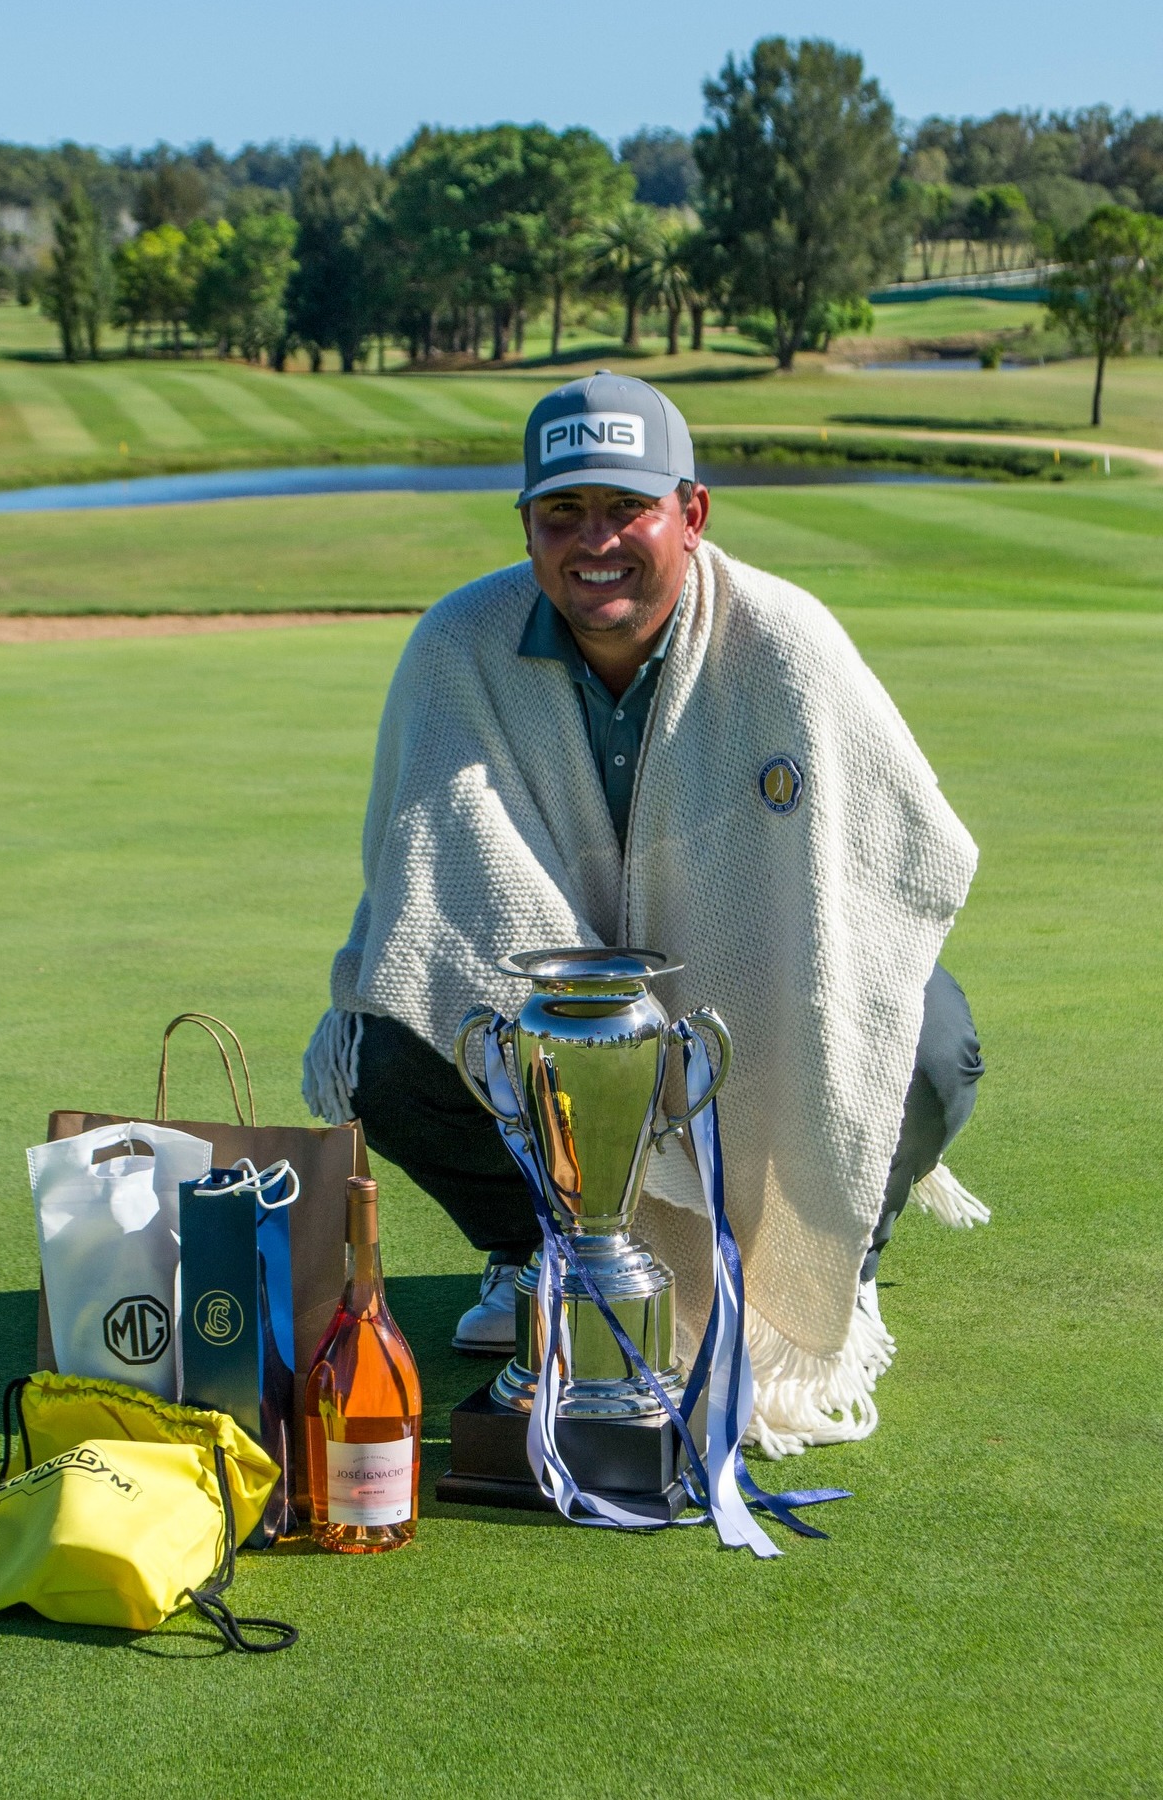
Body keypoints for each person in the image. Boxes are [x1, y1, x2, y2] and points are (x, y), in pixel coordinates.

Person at [303, 372, 985, 1456]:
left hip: (751, 1003)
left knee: (933, 1044)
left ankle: (833, 1262)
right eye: (562, 513)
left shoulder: (789, 643)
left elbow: (895, 858)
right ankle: (540, 1252)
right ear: (526, 528)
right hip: (555, 1025)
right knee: (380, 1052)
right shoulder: (454, 648)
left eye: (628, 508)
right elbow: (434, 903)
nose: (596, 541)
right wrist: (602, 1028)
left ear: (693, 514)